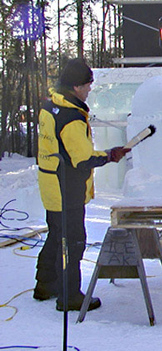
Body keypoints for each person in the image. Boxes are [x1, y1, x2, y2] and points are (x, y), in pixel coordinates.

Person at [34, 58, 129, 312]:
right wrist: (110, 155)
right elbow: (82, 158)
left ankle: (45, 284)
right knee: (73, 241)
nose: (89, 89)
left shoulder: (51, 106)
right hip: (66, 187)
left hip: (51, 182)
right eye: (87, 85)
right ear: (76, 86)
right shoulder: (72, 117)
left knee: (56, 235)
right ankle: (69, 296)